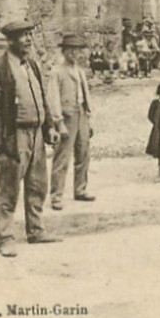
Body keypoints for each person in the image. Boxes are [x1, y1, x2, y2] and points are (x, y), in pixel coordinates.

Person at [0, 19, 60, 257]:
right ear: (10, 40)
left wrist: (49, 128)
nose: (28, 40)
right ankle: (5, 237)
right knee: (10, 188)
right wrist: (1, 147)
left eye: (29, 35)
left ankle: (35, 230)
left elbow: (42, 99)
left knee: (38, 184)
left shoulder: (32, 65)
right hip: (14, 135)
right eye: (22, 36)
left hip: (36, 134)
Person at [47, 33, 95, 210]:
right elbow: (53, 99)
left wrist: (89, 118)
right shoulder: (57, 72)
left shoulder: (80, 71)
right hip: (66, 117)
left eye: (78, 50)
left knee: (83, 154)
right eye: (71, 50)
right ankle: (56, 196)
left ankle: (80, 189)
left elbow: (85, 95)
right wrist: (58, 123)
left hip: (81, 114)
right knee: (62, 157)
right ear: (64, 51)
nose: (75, 54)